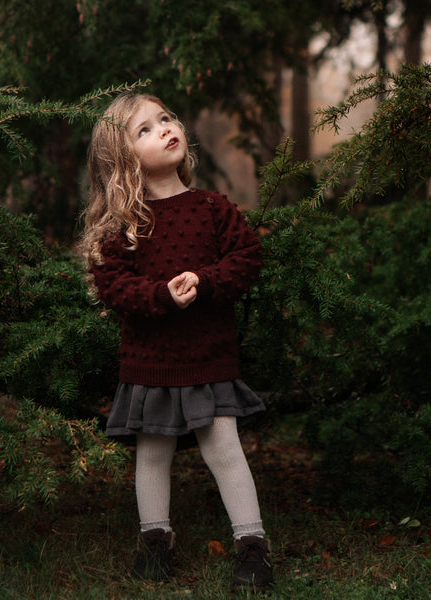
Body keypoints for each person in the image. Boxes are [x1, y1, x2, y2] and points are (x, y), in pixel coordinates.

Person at [82, 92, 272, 589]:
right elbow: (115, 287)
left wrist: (206, 282)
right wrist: (161, 295)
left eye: (165, 118)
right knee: (152, 452)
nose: (164, 128)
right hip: (150, 360)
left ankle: (253, 547)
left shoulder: (211, 208)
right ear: (122, 159)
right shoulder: (125, 225)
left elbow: (247, 257)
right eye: (143, 129)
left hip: (208, 354)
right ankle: (155, 542)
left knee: (224, 447)